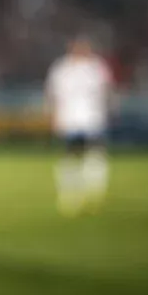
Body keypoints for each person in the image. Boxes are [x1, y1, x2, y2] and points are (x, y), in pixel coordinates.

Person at [46, 36, 114, 215]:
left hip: (92, 118)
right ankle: (70, 191)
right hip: (69, 119)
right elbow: (53, 94)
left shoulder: (96, 67)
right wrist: (54, 117)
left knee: (94, 153)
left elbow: (107, 91)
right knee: (71, 154)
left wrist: (108, 112)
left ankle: (95, 190)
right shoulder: (61, 68)